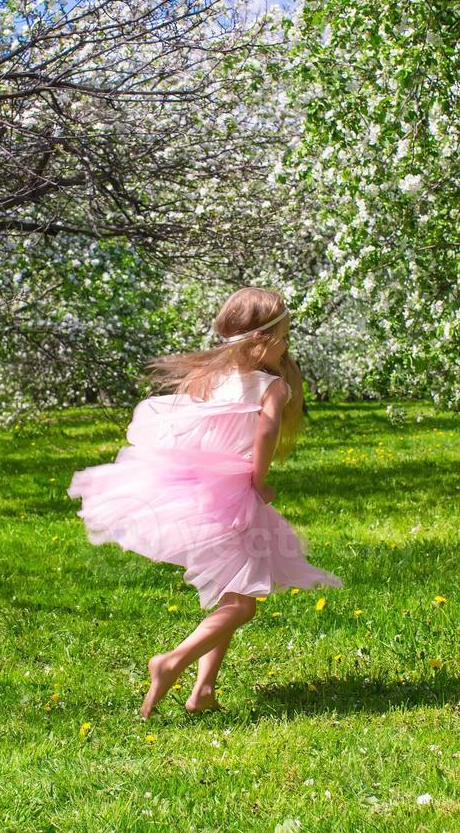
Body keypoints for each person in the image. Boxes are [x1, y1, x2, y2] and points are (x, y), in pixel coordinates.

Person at [68, 287, 343, 719]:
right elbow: (266, 432)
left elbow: (186, 429)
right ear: (262, 340)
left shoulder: (208, 378)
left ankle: (203, 691)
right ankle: (171, 661)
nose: (288, 346)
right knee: (242, 604)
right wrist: (257, 479)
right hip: (231, 495)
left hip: (197, 492)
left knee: (233, 591)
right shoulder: (270, 385)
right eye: (285, 336)